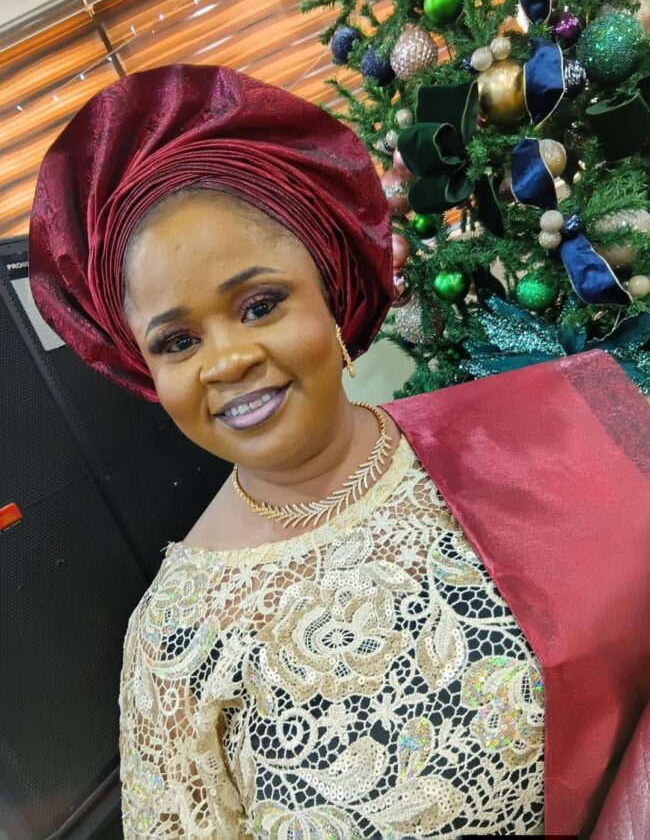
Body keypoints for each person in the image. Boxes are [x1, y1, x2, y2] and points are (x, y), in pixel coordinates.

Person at [29, 64, 650, 839]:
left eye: (261, 304)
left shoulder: (525, 438)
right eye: (178, 341)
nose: (227, 361)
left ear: (330, 291)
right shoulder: (174, 644)